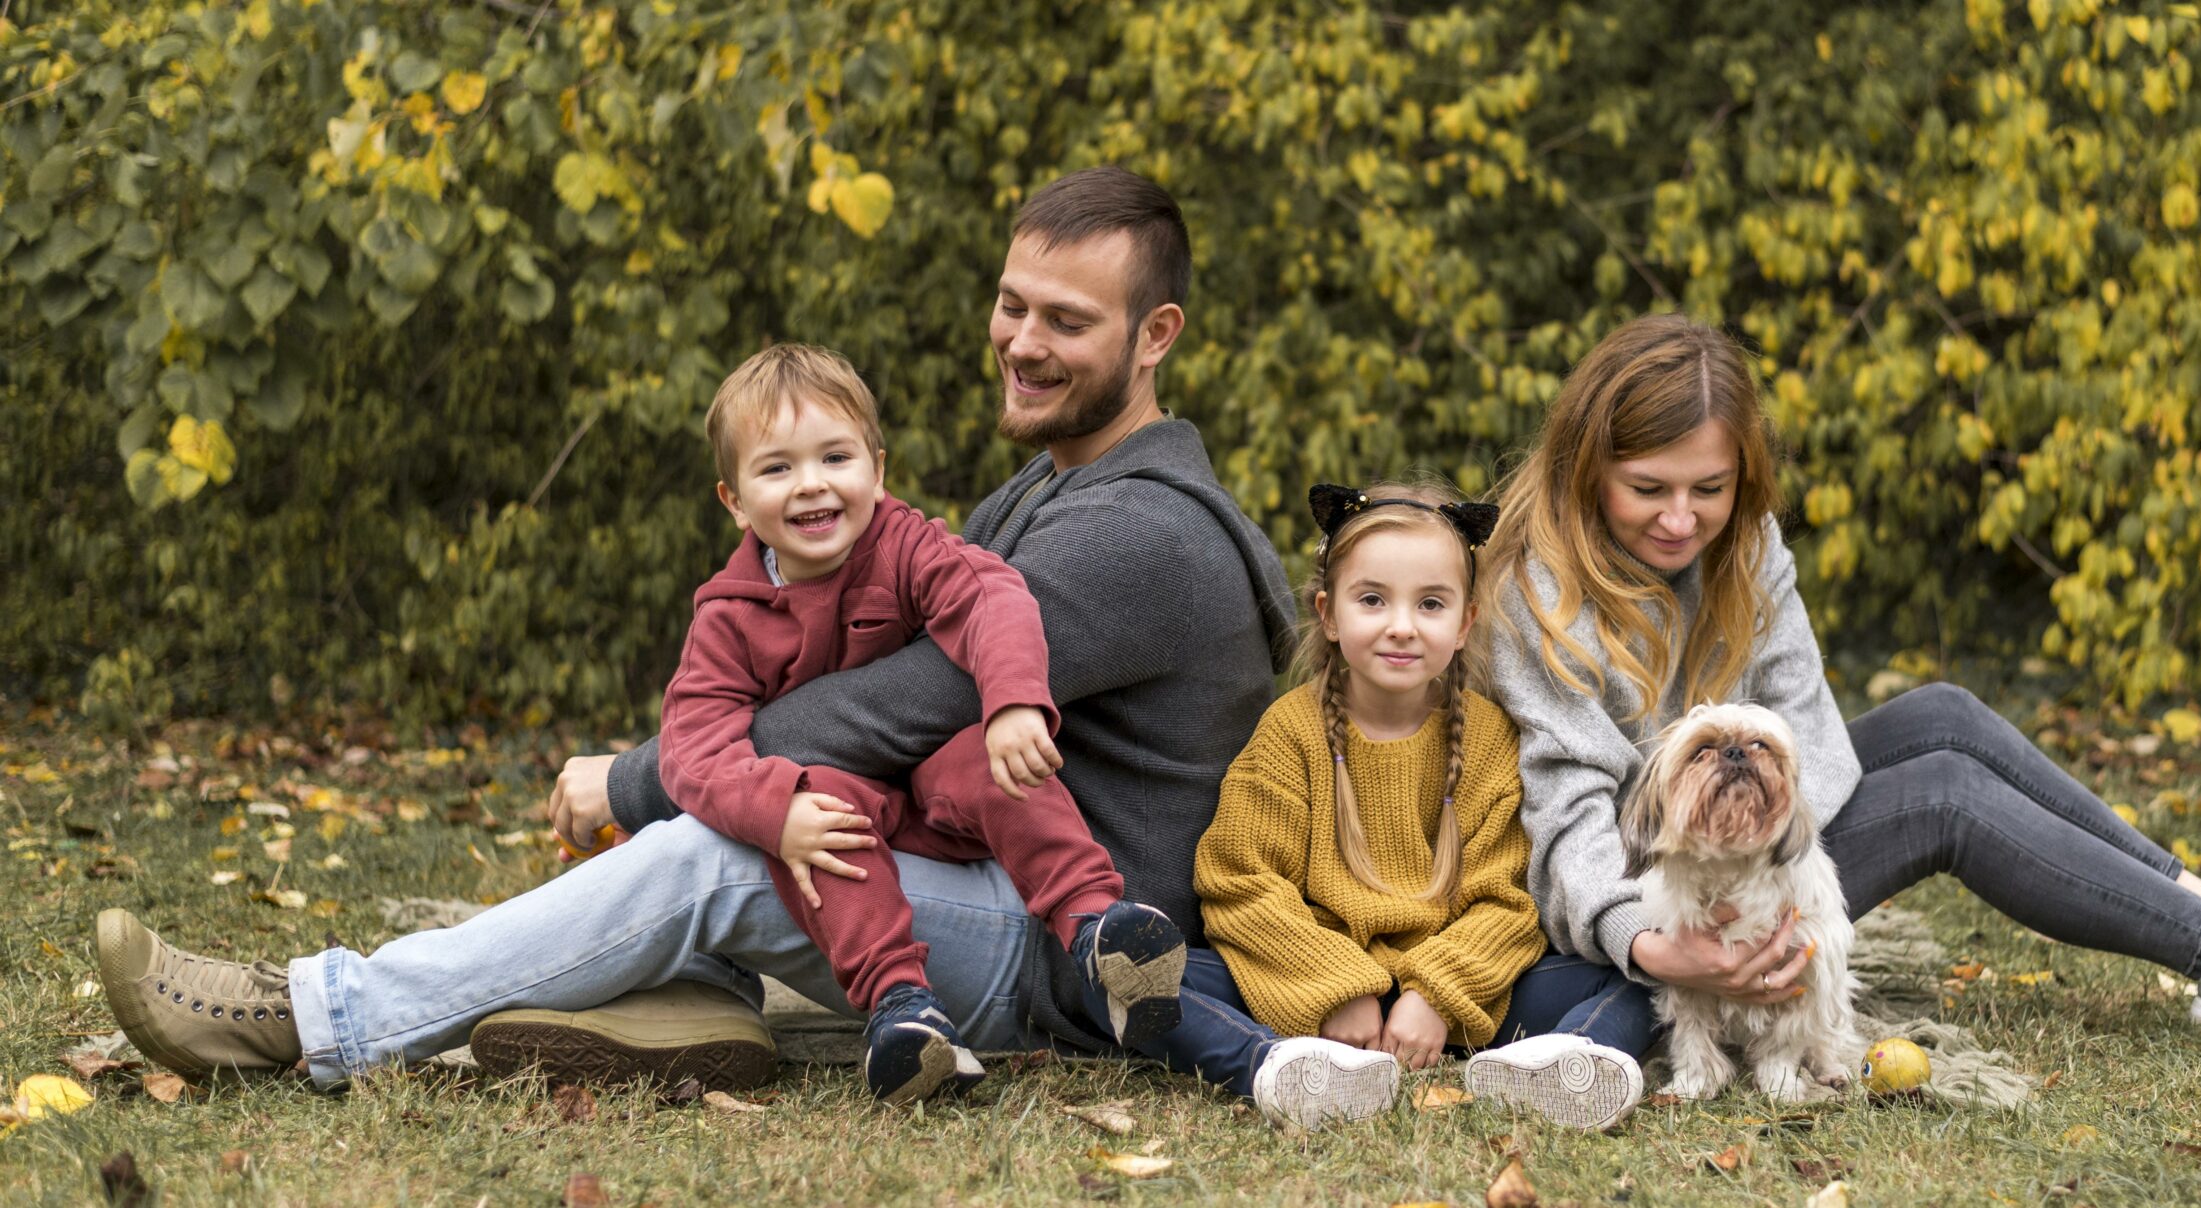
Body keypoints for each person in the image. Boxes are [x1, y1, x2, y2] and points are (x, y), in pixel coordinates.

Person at [92, 167, 1298, 1088]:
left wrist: (639, 777)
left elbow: (886, 707)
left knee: (709, 852)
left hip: (1067, 946)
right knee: (746, 831)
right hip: (969, 872)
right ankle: (684, 998)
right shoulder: (1045, 489)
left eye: (1067, 322)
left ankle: (313, 1015)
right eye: (1009, 304)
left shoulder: (1137, 534)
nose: (1022, 344)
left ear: (1156, 336)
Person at [1480, 314, 2201, 1062]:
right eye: (1649, 488)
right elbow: (1566, 818)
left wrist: (1761, 841)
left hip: (1745, 846)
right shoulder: (1538, 591)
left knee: (1942, 715)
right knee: (1943, 797)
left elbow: (1811, 730)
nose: (1683, 518)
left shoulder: (1748, 546)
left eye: (1711, 487)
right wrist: (1660, 945)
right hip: (1645, 889)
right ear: (1585, 466)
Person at [639, 341, 1184, 1105]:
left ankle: (1096, 924)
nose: (812, 486)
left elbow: (987, 596)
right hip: (847, 809)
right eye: (777, 469)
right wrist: (774, 810)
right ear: (733, 499)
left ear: (877, 467)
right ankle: (903, 1007)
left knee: (985, 758)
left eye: (835, 457)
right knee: (824, 813)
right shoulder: (728, 617)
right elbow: (693, 747)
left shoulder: (904, 544)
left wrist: (1014, 698)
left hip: (940, 792)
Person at [1125, 482, 1655, 1132]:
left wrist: (1433, 996)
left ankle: (1565, 1062)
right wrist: (1339, 990)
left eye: (1430, 603)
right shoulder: (1291, 732)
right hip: (1314, 990)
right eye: (1372, 599)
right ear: (1328, 612)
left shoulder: (1489, 739)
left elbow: (1507, 902)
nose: (1401, 625)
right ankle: (1282, 1066)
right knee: (1139, 972)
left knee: (1632, 973)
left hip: (1456, 992)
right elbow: (1241, 884)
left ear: (1464, 623)